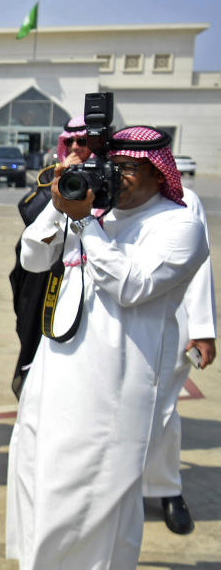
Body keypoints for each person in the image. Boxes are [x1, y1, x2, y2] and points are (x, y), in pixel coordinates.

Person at [5, 126, 209, 569]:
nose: (117, 177)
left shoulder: (179, 223)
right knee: (37, 483)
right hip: (54, 375)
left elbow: (130, 286)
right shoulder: (95, 212)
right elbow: (33, 260)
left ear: (159, 173)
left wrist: (83, 223)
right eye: (112, 167)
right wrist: (61, 205)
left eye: (129, 169)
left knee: (89, 504)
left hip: (110, 390)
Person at [142, 186, 216, 534]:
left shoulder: (184, 199)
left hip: (167, 321)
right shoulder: (96, 192)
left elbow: (199, 266)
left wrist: (201, 328)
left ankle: (166, 488)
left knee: (163, 410)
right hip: (106, 326)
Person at [8, 115, 91, 397]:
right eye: (71, 141)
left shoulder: (107, 182)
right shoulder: (53, 174)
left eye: (84, 141)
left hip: (89, 278)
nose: (77, 146)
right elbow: (28, 213)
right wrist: (63, 182)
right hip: (44, 275)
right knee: (33, 334)